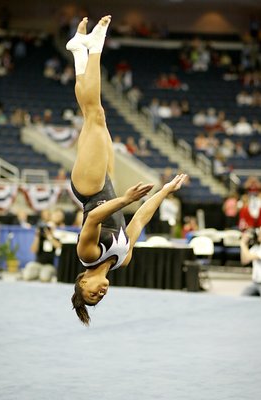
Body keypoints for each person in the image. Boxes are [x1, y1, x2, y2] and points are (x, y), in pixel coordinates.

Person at [66, 15, 187, 325]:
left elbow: (93, 217)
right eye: (99, 298)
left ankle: (95, 47)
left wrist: (125, 200)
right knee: (93, 115)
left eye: (91, 294)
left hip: (90, 189)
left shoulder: (88, 255)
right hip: (107, 184)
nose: (100, 293)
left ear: (82, 282)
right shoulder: (123, 259)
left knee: (95, 115)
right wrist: (165, 191)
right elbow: (142, 218)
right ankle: (80, 50)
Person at [240, 229, 261, 296]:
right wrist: (245, 244)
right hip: (255, 283)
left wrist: (243, 244)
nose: (258, 235)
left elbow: (249, 257)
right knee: (242, 298)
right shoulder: (256, 248)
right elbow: (244, 261)